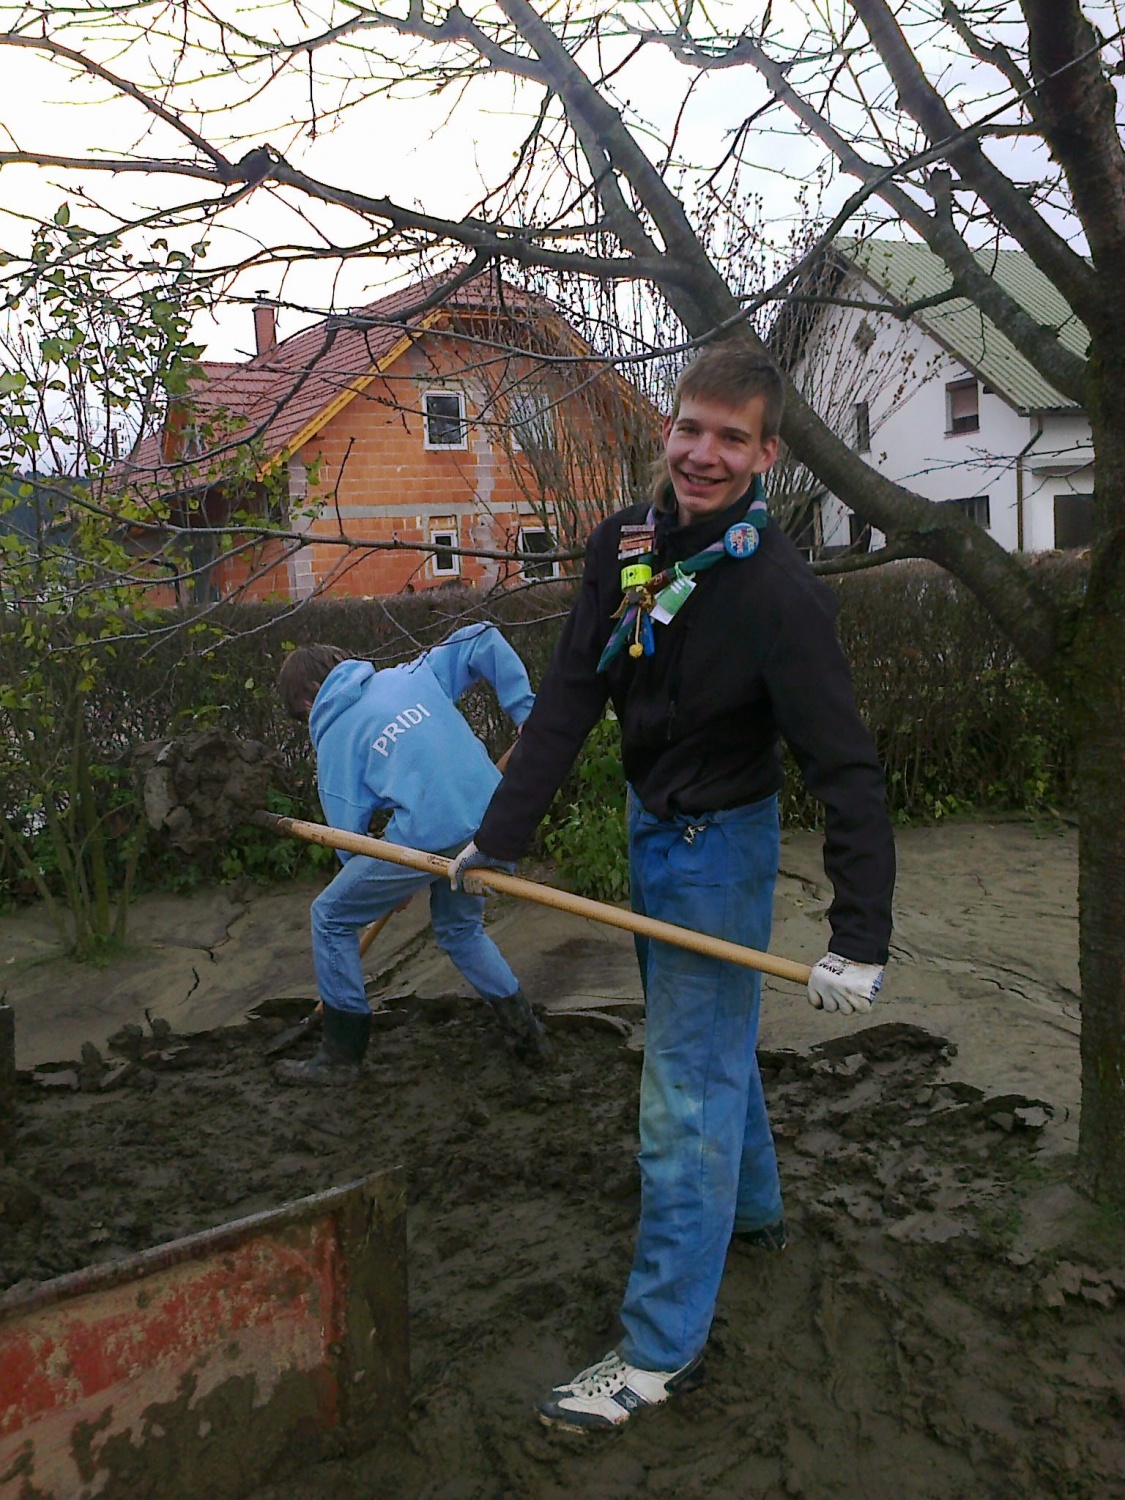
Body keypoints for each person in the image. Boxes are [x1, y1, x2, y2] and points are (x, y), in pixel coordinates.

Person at [449, 345, 896, 1431]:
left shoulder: (777, 591)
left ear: (765, 454)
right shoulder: (625, 548)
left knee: (682, 1100)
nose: (704, 453)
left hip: (720, 856)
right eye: (692, 428)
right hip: (655, 835)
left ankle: (656, 1356)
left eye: (731, 438)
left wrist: (861, 936)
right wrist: (497, 840)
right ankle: (751, 1218)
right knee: (710, 1053)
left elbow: (845, 767)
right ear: (670, 429)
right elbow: (568, 695)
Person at [276, 623, 550, 1085]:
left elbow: (348, 838)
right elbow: (481, 636)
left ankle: (342, 1055)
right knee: (460, 929)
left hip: (429, 832)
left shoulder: (334, 740)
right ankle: (528, 1036)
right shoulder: (407, 676)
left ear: (307, 702)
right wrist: (526, 712)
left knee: (331, 917)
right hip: (494, 817)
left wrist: (380, 892)